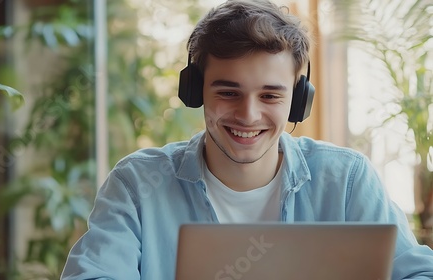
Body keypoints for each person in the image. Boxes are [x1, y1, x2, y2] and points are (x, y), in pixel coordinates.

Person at [61, 0, 433, 279]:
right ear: (194, 90)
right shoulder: (137, 184)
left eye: (270, 96)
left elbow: (418, 273)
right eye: (228, 92)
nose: (248, 115)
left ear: (298, 100)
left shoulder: (347, 180)